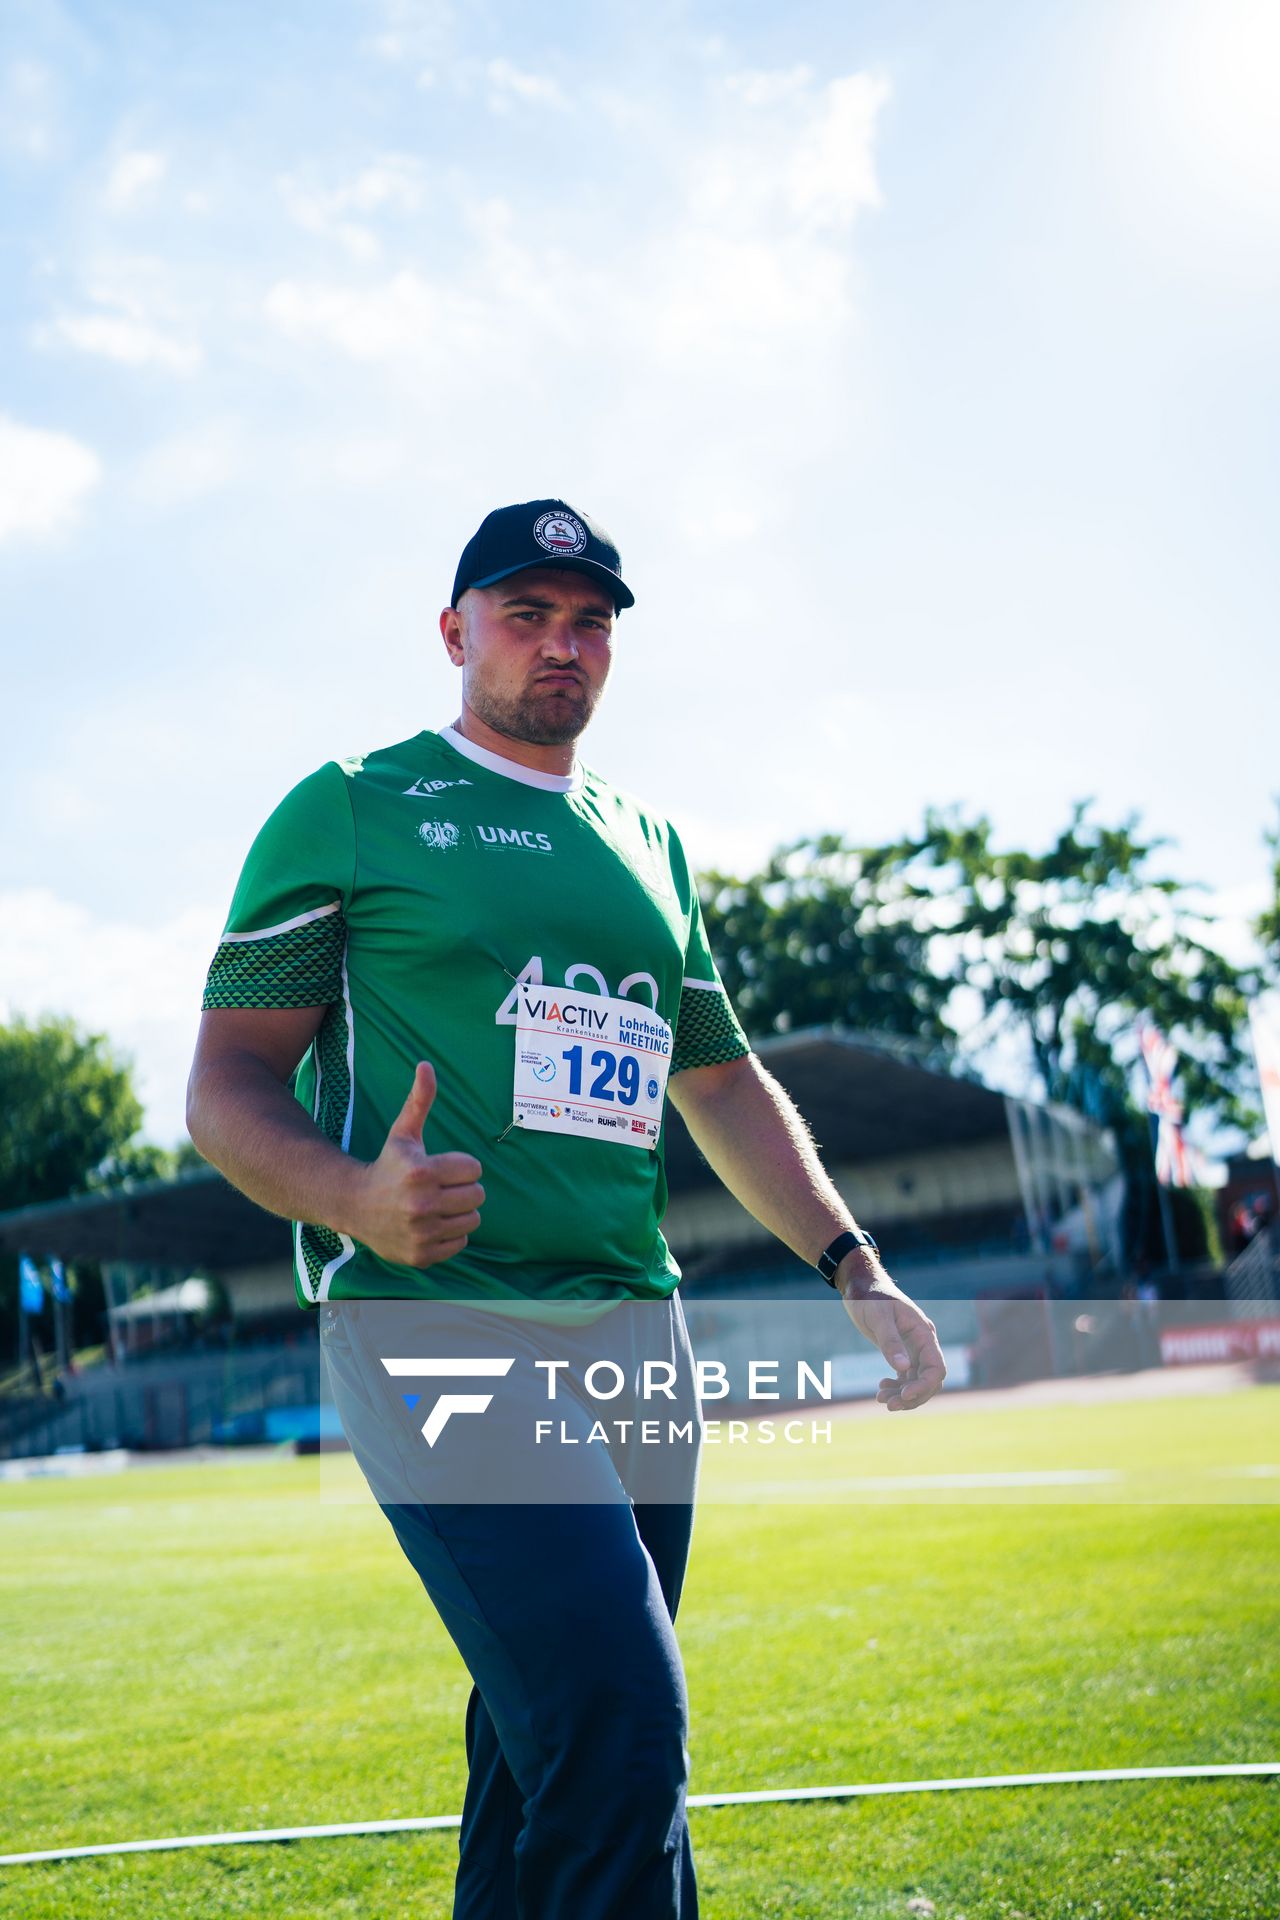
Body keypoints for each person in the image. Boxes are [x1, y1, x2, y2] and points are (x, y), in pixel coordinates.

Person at [186, 497, 946, 1920]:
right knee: (619, 1718)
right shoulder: (352, 802)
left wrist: (854, 1261)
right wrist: (356, 1195)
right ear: (454, 631)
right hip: (439, 1325)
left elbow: (721, 1086)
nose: (562, 645)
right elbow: (225, 1085)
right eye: (527, 614)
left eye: (590, 620)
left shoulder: (648, 843)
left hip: (634, 1336)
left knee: (541, 1741)